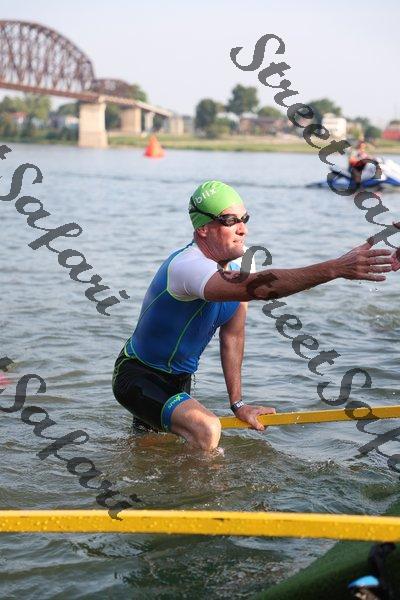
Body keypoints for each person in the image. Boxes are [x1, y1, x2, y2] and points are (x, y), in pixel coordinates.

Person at [112, 180, 393, 451]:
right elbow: (260, 289)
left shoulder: (242, 260)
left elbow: (233, 336)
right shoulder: (187, 266)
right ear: (203, 229)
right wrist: (335, 268)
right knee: (207, 428)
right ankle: (216, 485)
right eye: (230, 221)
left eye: (244, 219)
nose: (243, 229)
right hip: (137, 375)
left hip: (180, 380)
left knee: (150, 450)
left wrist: (238, 404)